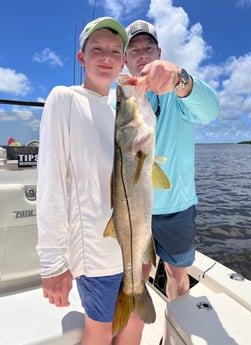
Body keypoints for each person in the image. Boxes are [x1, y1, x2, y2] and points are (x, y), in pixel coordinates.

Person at [36, 17, 144, 345]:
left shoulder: (122, 112)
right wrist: (53, 263)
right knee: (99, 333)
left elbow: (138, 177)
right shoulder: (64, 99)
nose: (106, 57)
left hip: (130, 249)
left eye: (115, 51)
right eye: (97, 49)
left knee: (135, 326)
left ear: (124, 61)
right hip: (95, 255)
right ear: (81, 57)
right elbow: (50, 182)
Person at [125, 20, 220, 301]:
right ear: (126, 59)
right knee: (137, 270)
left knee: (178, 275)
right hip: (133, 205)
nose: (142, 54)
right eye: (134, 50)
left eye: (148, 48)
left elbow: (211, 111)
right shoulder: (118, 99)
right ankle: (134, 323)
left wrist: (180, 77)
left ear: (159, 52)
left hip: (176, 208)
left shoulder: (179, 93)